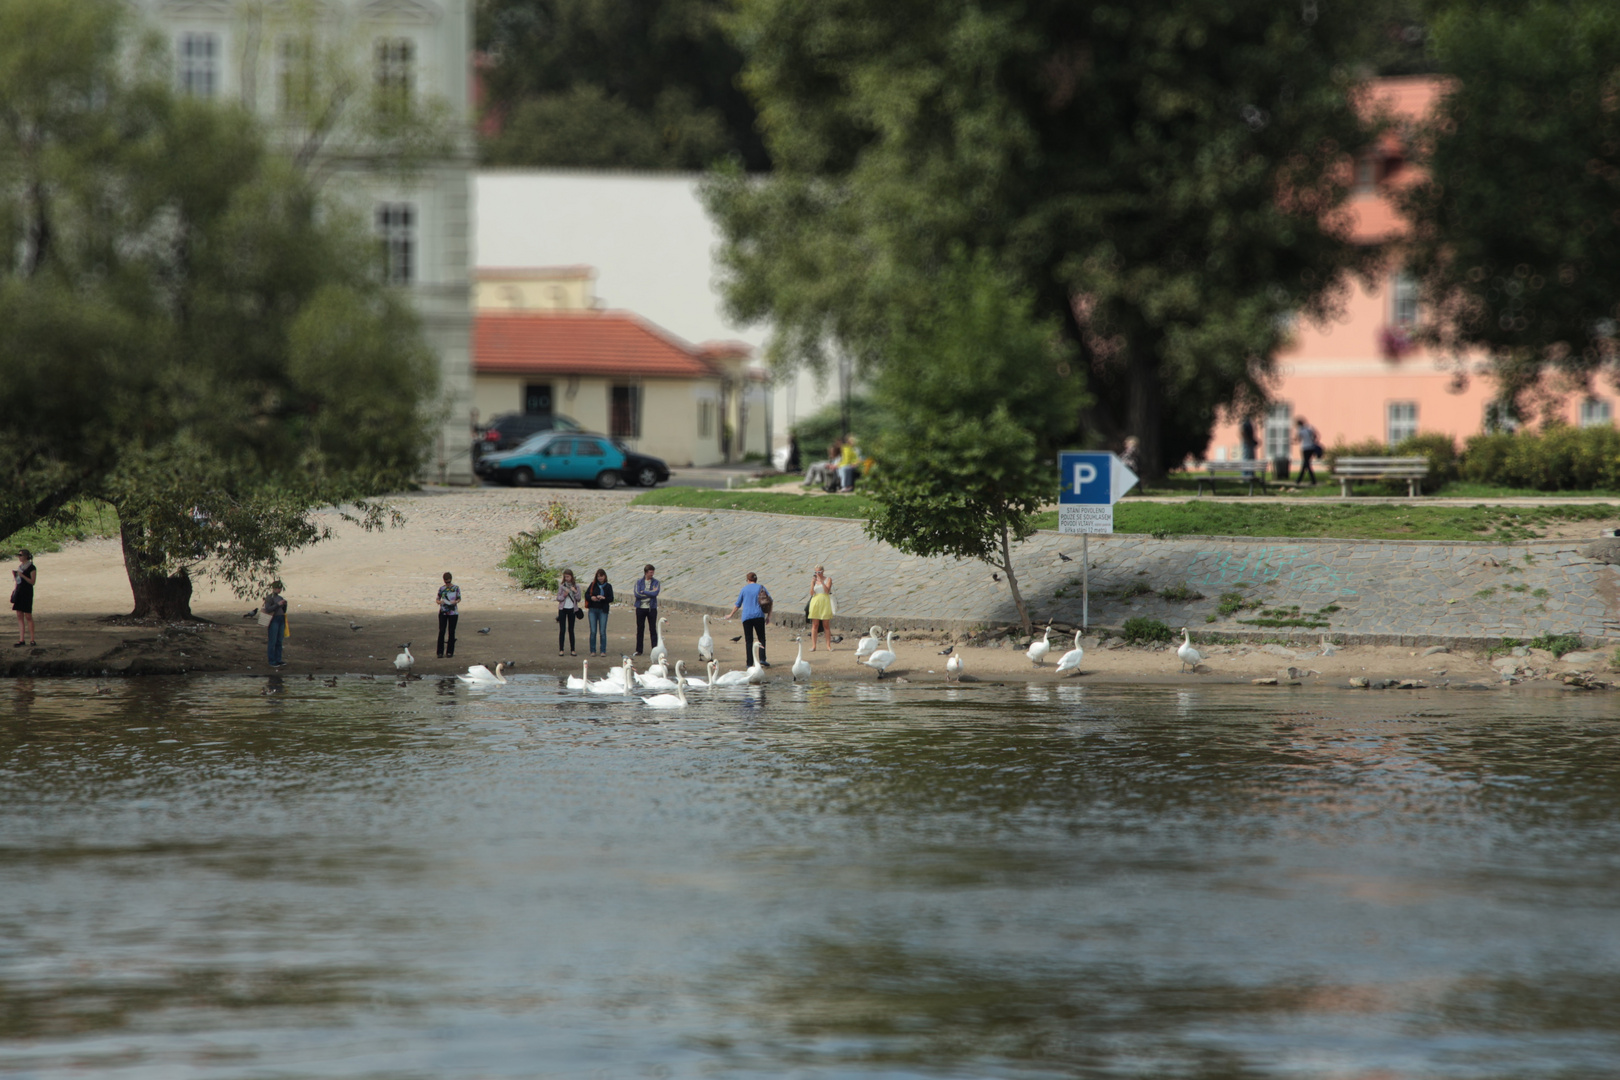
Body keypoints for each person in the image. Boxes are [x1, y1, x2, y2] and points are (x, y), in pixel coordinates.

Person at [724, 571, 771, 667]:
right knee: (761, 638)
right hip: (759, 616)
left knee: (748, 640)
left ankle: (749, 663)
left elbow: (737, 604)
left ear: (748, 580)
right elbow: (770, 601)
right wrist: (769, 616)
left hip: (747, 617)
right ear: (756, 579)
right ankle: (762, 659)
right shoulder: (761, 587)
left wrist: (730, 614)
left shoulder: (744, 590)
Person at [585, 568, 614, 656]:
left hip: (603, 610)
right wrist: (592, 598)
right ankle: (593, 650)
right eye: (598, 577)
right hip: (593, 609)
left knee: (602, 631)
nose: (600, 578)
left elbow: (611, 598)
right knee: (593, 631)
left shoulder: (608, 586)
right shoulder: (593, 585)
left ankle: (603, 651)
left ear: (605, 576)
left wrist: (604, 598)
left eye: (601, 576)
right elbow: (586, 595)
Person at [633, 564, 660, 655]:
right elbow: (637, 594)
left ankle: (655, 649)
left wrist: (644, 592)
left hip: (651, 608)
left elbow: (655, 593)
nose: (652, 574)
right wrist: (649, 594)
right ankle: (639, 650)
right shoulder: (639, 582)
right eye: (650, 572)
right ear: (646, 572)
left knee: (653, 629)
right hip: (640, 608)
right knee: (640, 629)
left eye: (653, 572)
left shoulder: (656, 582)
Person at [806, 565, 835, 651]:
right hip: (815, 602)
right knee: (815, 624)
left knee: (826, 625)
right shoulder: (814, 581)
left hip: (825, 602)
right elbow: (811, 593)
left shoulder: (828, 579)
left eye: (819, 572)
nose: (818, 574)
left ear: (823, 571)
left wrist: (822, 582)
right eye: (816, 572)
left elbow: (827, 591)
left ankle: (828, 646)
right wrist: (812, 583)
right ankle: (814, 646)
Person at [12, 549, 36, 647]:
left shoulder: (31, 567)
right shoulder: (20, 567)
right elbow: (18, 581)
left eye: (20, 555)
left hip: (27, 592)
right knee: (19, 614)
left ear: (26, 556)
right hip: (20, 591)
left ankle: (32, 639)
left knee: (28, 615)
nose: (19, 557)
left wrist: (22, 576)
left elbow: (32, 582)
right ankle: (21, 639)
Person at [555, 568, 581, 656]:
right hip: (563, 609)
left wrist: (575, 591)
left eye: (568, 577)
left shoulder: (576, 586)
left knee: (571, 630)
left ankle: (573, 649)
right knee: (562, 630)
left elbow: (579, 598)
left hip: (572, 609)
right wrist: (564, 595)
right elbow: (558, 598)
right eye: (565, 577)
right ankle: (561, 649)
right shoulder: (562, 586)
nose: (567, 578)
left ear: (571, 577)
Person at [262, 580, 288, 668]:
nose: (279, 590)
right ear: (273, 588)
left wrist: (284, 604)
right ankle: (272, 660)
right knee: (272, 641)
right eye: (277, 588)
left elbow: (284, 610)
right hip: (274, 619)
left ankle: (278, 659)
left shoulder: (280, 597)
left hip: (281, 619)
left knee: (279, 641)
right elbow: (268, 609)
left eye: (280, 588)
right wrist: (277, 604)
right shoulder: (269, 597)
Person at [436, 572, 461, 658]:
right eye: (446, 582)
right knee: (442, 631)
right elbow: (437, 599)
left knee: (451, 631)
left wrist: (455, 601)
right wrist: (441, 602)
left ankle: (450, 651)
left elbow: (459, 598)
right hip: (443, 611)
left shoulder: (456, 588)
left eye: (449, 582)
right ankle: (440, 652)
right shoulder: (442, 589)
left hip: (453, 612)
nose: (448, 584)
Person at [1295, 417, 1322, 484]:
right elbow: (1316, 436)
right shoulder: (1309, 428)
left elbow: (1298, 439)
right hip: (1311, 448)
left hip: (1305, 448)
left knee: (1306, 464)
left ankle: (1311, 480)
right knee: (1306, 464)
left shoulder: (1300, 430)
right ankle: (1300, 480)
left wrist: (1293, 440)